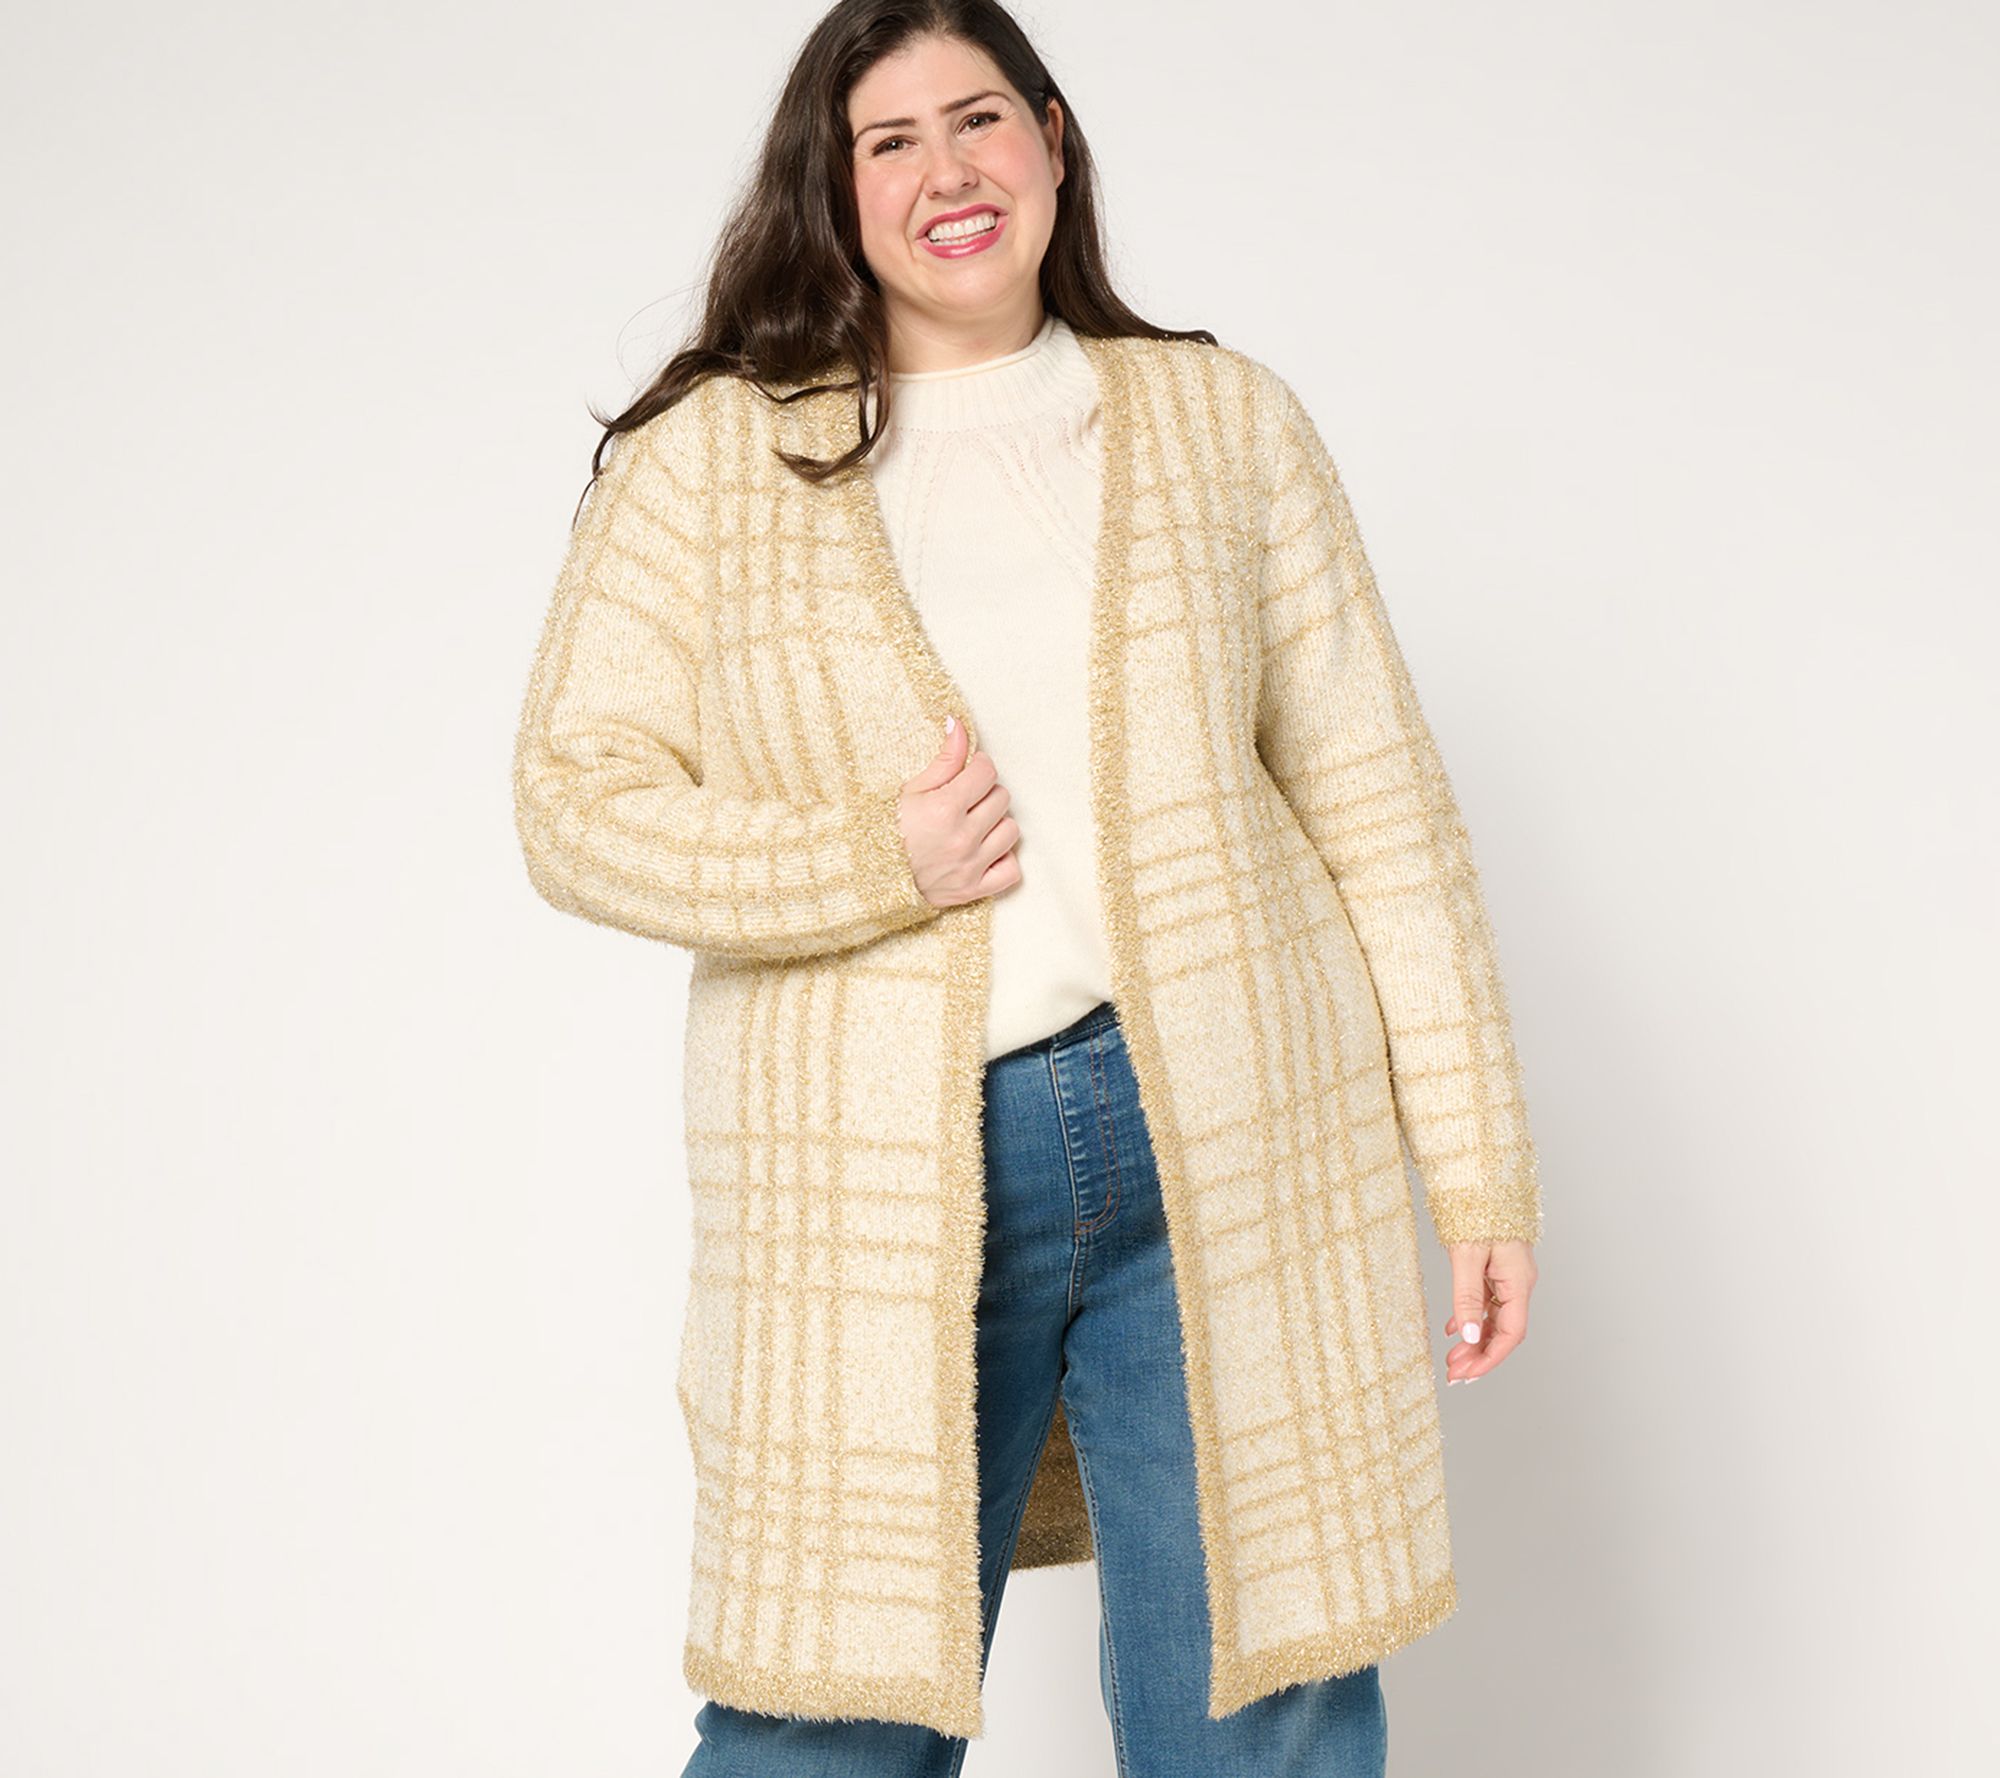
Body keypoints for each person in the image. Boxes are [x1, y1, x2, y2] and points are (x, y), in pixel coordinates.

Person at [510, 3, 1544, 1774]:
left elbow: (1381, 808)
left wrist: (1478, 1160)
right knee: (821, 1720)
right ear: (834, 190)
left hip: (1226, 1130)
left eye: (979, 118)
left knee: (1270, 1696)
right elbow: (572, 805)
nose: (948, 171)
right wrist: (872, 860)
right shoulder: (715, 465)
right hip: (878, 1165)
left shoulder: (1224, 424)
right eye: (889, 140)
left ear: (1053, 141)